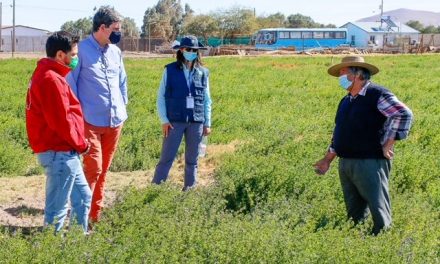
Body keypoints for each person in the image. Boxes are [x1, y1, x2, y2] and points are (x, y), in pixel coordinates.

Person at [314, 56, 413, 235]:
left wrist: (388, 143)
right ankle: (356, 235)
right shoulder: (346, 101)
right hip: (346, 162)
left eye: (343, 73)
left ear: (358, 74)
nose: (340, 77)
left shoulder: (377, 94)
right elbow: (340, 131)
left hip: (370, 161)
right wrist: (327, 159)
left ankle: (382, 239)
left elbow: (403, 114)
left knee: (377, 204)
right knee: (354, 209)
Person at [26, 31, 91, 233]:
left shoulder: (50, 74)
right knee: (57, 211)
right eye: (73, 55)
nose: (75, 59)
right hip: (59, 152)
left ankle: (76, 247)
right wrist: (82, 144)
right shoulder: (51, 79)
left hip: (64, 151)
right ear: (60, 55)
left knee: (83, 197)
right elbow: (61, 122)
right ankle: (52, 254)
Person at [67, 6, 127, 224]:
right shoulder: (80, 51)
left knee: (103, 172)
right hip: (89, 121)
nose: (119, 33)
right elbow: (70, 83)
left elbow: (122, 82)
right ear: (102, 27)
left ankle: (94, 216)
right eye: (116, 29)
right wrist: (76, 117)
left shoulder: (115, 52)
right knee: (93, 168)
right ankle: (79, 217)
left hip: (114, 120)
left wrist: (123, 106)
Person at [152, 35, 212, 190]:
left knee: (192, 160)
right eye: (188, 49)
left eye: (194, 50)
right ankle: (156, 190)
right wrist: (164, 120)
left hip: (196, 122)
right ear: (181, 50)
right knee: (167, 158)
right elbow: (160, 97)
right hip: (174, 122)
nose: (191, 52)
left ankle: (189, 192)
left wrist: (207, 123)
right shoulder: (170, 70)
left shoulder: (203, 73)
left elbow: (207, 100)